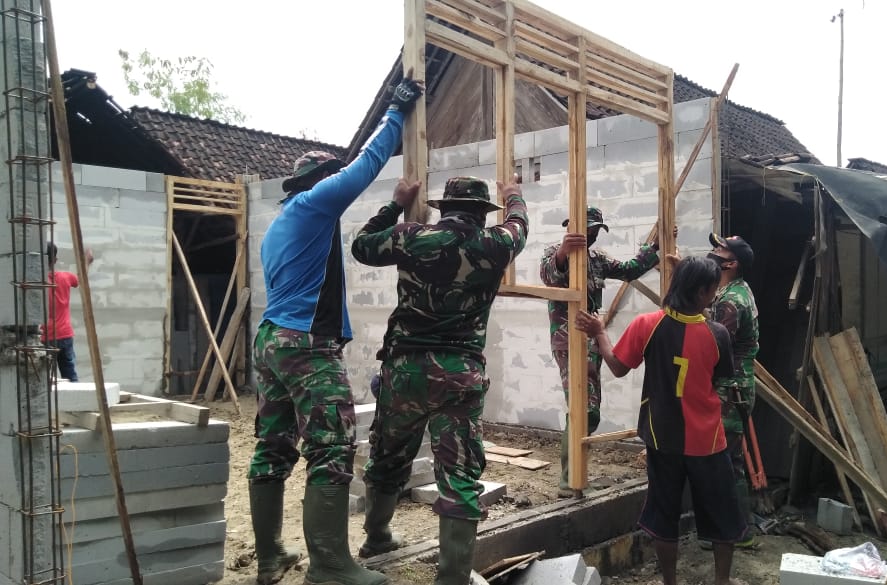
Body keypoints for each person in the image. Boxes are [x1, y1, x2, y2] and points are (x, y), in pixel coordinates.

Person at [249, 77, 423, 585]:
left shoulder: (280, 224)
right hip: (305, 345)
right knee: (332, 444)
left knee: (274, 447)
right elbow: (364, 165)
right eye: (329, 178)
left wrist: (391, 208)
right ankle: (329, 566)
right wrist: (396, 110)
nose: (335, 184)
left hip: (273, 341)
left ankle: (269, 559)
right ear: (318, 181)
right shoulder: (312, 205)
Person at [351, 175, 527, 585]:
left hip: (405, 369)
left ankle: (377, 539)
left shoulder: (412, 237)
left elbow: (362, 245)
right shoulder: (496, 243)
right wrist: (513, 194)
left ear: (443, 208)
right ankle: (451, 579)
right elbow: (520, 224)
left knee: (389, 456)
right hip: (459, 374)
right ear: (483, 214)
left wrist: (395, 204)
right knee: (459, 476)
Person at [574, 256, 748, 585]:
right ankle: (722, 581)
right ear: (701, 293)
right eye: (713, 289)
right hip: (708, 442)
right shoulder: (718, 335)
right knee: (723, 513)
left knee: (664, 514)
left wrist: (599, 332)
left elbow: (617, 366)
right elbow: (719, 381)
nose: (715, 294)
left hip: (662, 438)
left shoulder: (646, 324)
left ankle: (670, 581)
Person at [539, 208, 661, 497]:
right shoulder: (554, 253)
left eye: (596, 230)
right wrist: (564, 252)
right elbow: (548, 275)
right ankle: (570, 481)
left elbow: (630, 269)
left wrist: (654, 247)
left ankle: (575, 475)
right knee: (583, 407)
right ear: (570, 227)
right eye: (588, 229)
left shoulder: (598, 259)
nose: (591, 235)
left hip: (592, 340)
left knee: (589, 411)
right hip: (568, 341)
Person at [704, 233, 760, 549]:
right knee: (728, 459)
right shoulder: (732, 291)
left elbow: (716, 346)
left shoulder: (731, 301)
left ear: (731, 263)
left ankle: (739, 532)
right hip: (735, 385)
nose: (714, 252)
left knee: (727, 462)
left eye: (720, 249)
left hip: (730, 389)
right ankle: (734, 529)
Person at [42, 242, 93, 382]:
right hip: (65, 335)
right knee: (70, 375)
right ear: (55, 260)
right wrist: (87, 262)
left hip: (45, 337)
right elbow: (81, 279)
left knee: (43, 379)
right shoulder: (65, 277)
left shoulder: (37, 282)